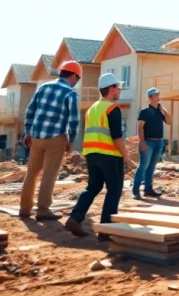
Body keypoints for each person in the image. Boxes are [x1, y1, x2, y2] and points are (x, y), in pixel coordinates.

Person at [64, 72, 133, 239]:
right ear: (111, 88)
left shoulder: (92, 109)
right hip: (109, 154)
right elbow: (116, 136)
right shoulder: (112, 109)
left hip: (91, 154)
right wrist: (126, 155)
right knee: (114, 190)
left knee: (93, 187)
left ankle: (75, 217)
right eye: (118, 88)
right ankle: (106, 231)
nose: (120, 91)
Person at [19, 60, 82, 220]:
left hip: (36, 136)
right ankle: (43, 211)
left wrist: (27, 132)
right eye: (78, 79)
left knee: (32, 173)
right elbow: (74, 120)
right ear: (74, 76)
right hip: (56, 137)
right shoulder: (71, 93)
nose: (76, 82)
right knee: (49, 174)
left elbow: (30, 111)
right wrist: (71, 139)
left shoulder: (44, 87)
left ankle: (24, 209)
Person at [132, 87, 170, 200]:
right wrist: (142, 141)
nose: (158, 96)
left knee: (151, 167)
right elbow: (140, 128)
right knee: (143, 166)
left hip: (159, 142)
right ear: (150, 97)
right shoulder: (144, 112)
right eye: (156, 94)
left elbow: (170, 122)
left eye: (158, 94)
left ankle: (148, 189)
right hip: (148, 142)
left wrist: (164, 111)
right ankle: (135, 191)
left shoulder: (160, 112)